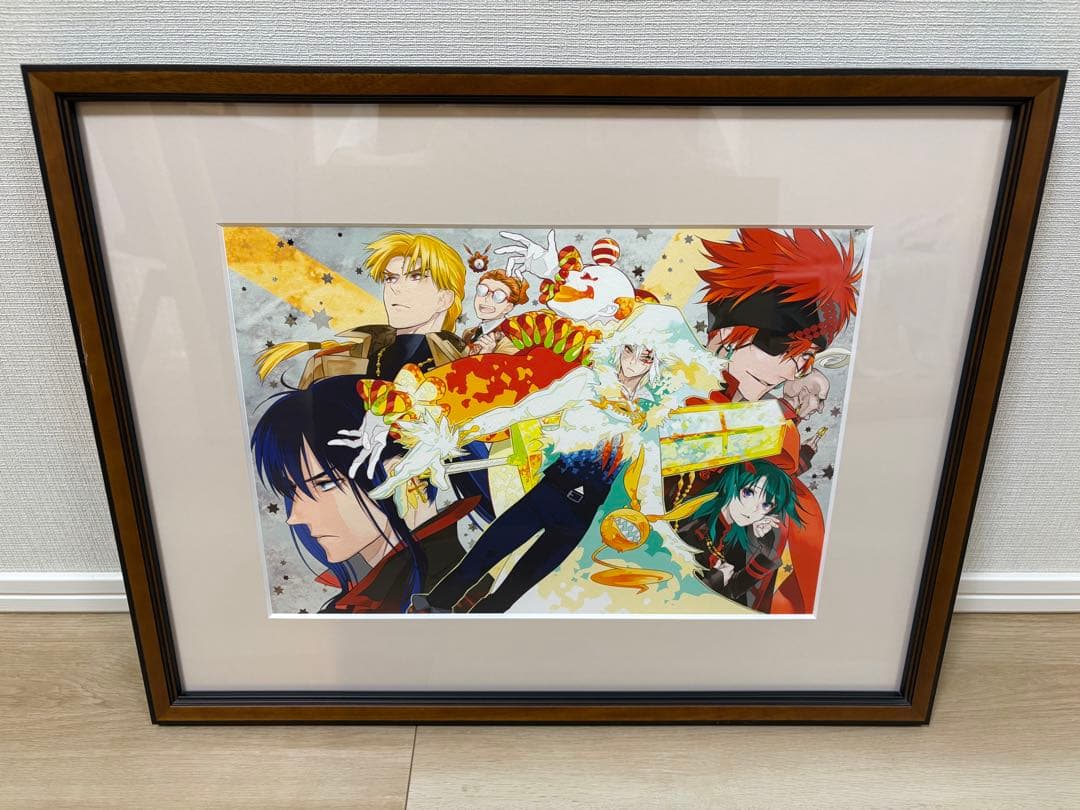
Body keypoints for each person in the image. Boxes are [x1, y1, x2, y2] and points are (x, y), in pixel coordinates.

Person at [364, 304, 723, 614]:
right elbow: (523, 410)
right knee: (486, 552)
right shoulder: (587, 381)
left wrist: (660, 528)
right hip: (551, 490)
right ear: (619, 345)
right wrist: (459, 433)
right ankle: (435, 605)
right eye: (630, 349)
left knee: (522, 581)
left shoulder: (652, 413)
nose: (632, 360)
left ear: (657, 362)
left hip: (585, 513)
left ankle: (481, 626)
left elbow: (650, 475)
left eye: (645, 356)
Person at [250, 375, 490, 613]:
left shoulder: (466, 601)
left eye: (324, 484)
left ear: (403, 474)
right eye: (293, 491)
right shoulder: (362, 600)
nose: (295, 516)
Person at [256, 231, 468, 386]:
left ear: (445, 298)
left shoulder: (468, 367)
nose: (396, 288)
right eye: (391, 278)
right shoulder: (330, 363)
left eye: (415, 276)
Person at [679, 459, 801, 609]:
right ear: (732, 483)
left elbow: (733, 593)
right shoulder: (688, 518)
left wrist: (764, 546)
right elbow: (671, 593)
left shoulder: (737, 535)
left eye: (766, 505)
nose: (753, 510)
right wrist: (714, 581)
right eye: (748, 493)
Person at [462, 269, 530, 354]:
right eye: (482, 290)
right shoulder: (468, 333)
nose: (486, 299)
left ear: (508, 307)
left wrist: (487, 356)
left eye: (498, 296)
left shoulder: (511, 341)